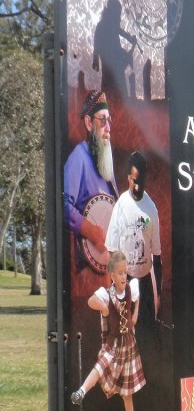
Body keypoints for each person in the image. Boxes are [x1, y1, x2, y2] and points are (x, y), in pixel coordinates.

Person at [70, 251, 145, 411]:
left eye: (125, 272)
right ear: (111, 274)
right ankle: (81, 392)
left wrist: (135, 312)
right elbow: (91, 301)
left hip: (128, 346)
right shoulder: (106, 294)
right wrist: (103, 307)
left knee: (127, 397)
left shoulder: (131, 288)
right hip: (113, 343)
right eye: (119, 273)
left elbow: (135, 311)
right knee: (102, 362)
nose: (123, 276)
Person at [63, 90, 119, 274]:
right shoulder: (78, 157)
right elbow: (62, 204)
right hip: (88, 270)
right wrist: (90, 230)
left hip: (109, 269)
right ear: (88, 123)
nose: (108, 128)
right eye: (102, 120)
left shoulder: (106, 163)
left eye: (109, 120)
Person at [105, 151, 162, 331]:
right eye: (134, 181)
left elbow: (157, 257)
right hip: (125, 280)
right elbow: (112, 251)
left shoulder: (151, 209)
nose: (137, 186)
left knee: (147, 334)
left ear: (146, 178)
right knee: (124, 334)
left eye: (141, 181)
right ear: (128, 178)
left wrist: (158, 295)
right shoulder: (121, 206)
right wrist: (116, 287)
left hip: (144, 283)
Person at [92, 0, 138, 102]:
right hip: (110, 66)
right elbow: (96, 44)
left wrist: (130, 38)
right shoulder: (102, 26)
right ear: (113, 13)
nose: (119, 18)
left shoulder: (111, 25)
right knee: (112, 92)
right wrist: (95, 59)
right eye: (118, 14)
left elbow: (122, 32)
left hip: (115, 65)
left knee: (118, 92)